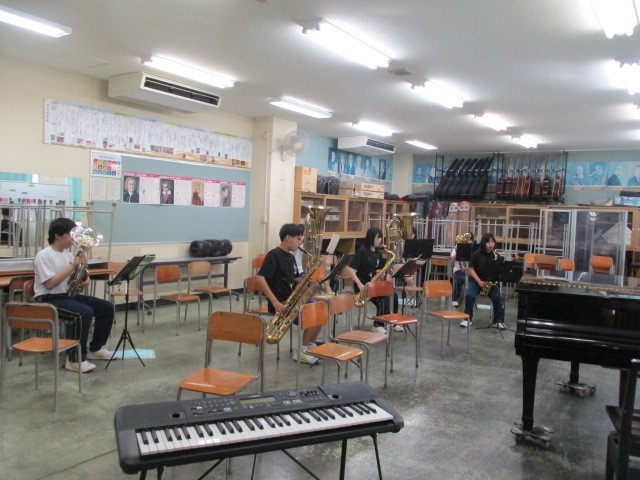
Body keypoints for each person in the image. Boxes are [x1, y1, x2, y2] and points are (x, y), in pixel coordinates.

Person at [33, 218, 115, 373]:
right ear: (57, 235)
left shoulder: (69, 255)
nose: (74, 239)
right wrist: (73, 266)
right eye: (70, 235)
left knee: (106, 307)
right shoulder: (43, 255)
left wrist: (85, 279)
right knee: (83, 312)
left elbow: (78, 277)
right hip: (48, 299)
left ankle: (96, 348)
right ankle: (74, 360)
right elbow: (49, 284)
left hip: (66, 296)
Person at [256, 223, 322, 364]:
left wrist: (303, 280)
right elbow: (260, 278)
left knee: (321, 309)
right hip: (280, 303)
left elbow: (292, 278)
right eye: (298, 239)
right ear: (287, 238)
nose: (300, 242)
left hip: (292, 300)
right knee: (313, 314)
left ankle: (310, 345)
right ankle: (302, 351)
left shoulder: (291, 257)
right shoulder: (273, 255)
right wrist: (274, 301)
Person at [344, 227, 401, 334]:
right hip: (363, 286)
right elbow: (350, 269)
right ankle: (377, 325)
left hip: (374, 284)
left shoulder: (378, 252)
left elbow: (377, 269)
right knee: (383, 299)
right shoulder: (362, 251)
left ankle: (392, 321)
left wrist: (382, 273)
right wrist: (359, 284)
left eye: (381, 237)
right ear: (371, 238)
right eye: (378, 237)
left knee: (394, 295)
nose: (380, 240)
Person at [460, 233, 505, 329]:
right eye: (488, 242)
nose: (491, 244)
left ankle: (498, 321)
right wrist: (479, 281)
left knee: (498, 298)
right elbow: (471, 269)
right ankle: (467, 319)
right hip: (476, 281)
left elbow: (500, 271)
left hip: (491, 283)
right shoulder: (476, 255)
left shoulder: (496, 256)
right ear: (484, 243)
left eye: (492, 242)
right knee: (470, 295)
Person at [451, 233, 474, 307]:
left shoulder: (472, 249)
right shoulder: (456, 248)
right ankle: (456, 297)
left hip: (469, 270)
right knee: (461, 279)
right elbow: (452, 262)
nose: (467, 241)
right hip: (458, 269)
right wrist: (457, 251)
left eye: (469, 240)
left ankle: (470, 297)